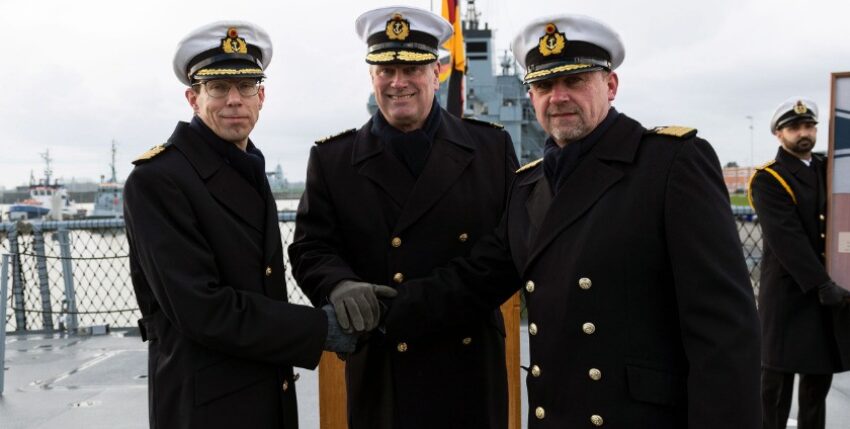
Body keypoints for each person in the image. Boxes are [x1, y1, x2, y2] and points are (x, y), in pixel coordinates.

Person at [382, 14, 762, 428]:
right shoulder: (528, 187)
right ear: (531, 97)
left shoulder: (669, 164)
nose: (558, 97)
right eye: (544, 85)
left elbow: (725, 333)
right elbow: (474, 281)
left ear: (611, 85)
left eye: (575, 80)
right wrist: (371, 310)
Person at [288, 6, 518, 428]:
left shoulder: (491, 151)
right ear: (371, 75)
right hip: (383, 370)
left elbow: (506, 255)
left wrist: (406, 307)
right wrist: (338, 284)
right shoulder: (333, 159)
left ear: (437, 71)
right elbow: (310, 247)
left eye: (412, 68)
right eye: (385, 69)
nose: (398, 82)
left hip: (467, 368)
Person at [124, 21, 356, 429]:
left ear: (261, 97)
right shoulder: (158, 180)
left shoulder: (246, 164)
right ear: (192, 98)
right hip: (207, 406)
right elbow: (202, 309)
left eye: (246, 86)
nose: (234, 99)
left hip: (265, 393)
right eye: (218, 87)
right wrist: (319, 328)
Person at [749, 97, 850, 429]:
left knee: (815, 387)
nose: (803, 133)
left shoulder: (830, 169)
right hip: (790, 296)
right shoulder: (769, 178)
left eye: (809, 126)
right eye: (794, 128)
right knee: (774, 389)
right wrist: (821, 283)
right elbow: (786, 239)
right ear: (779, 134)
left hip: (828, 292)